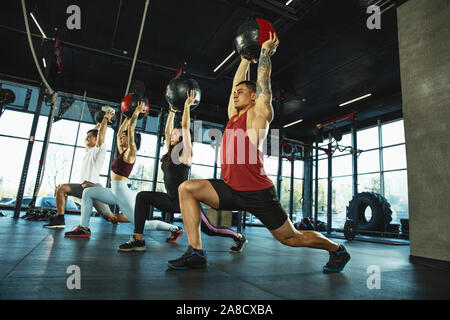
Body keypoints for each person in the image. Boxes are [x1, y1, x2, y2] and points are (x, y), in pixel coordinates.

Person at [167, 32, 351, 272]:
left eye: (241, 92)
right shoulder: (234, 117)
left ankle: (337, 250)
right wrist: (245, 58)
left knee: (291, 238)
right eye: (235, 93)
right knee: (186, 189)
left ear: (254, 97)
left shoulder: (259, 115)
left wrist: (264, 53)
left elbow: (264, 82)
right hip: (231, 188)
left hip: (258, 193)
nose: (235, 95)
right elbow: (235, 84)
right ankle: (196, 252)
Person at [118, 90, 248, 252]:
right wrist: (171, 112)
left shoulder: (186, 153)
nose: (171, 136)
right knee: (143, 196)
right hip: (172, 200)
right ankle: (138, 239)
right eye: (172, 134)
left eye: (176, 135)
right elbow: (167, 131)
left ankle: (239, 237)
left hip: (188, 202)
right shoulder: (169, 154)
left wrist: (186, 106)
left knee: (211, 230)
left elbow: (185, 127)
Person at [44, 107, 120, 229]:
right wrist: (99, 123)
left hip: (94, 189)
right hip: (82, 188)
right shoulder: (88, 151)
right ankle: (60, 219)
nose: (86, 138)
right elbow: (95, 132)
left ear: (96, 139)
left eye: (90, 137)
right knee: (61, 188)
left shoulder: (99, 149)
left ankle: (135, 220)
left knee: (110, 217)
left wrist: (105, 119)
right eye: (87, 137)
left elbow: (101, 134)